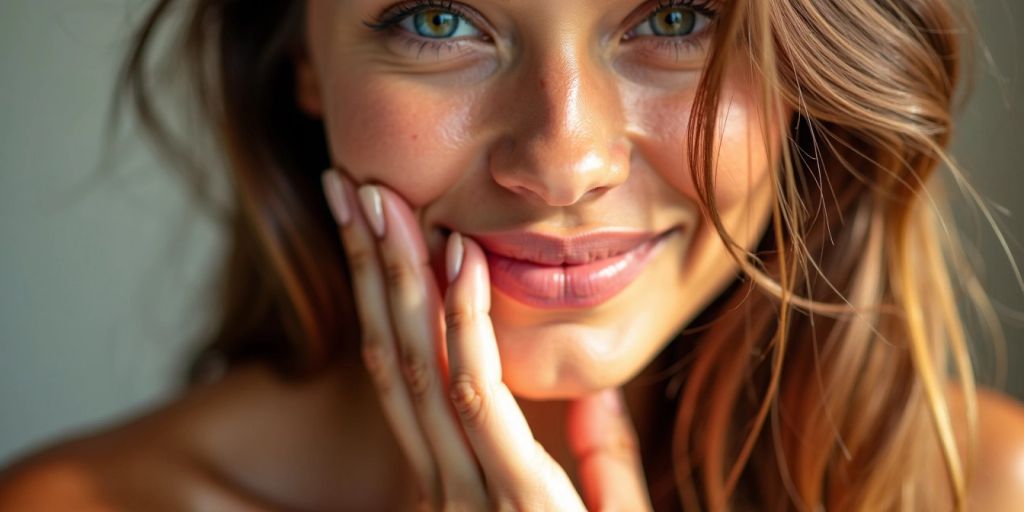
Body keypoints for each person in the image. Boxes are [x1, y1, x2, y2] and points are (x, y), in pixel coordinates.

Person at [1, 0, 1022, 509]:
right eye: (440, 21)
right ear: (300, 57)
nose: (564, 159)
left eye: (676, 17)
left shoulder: (987, 485)